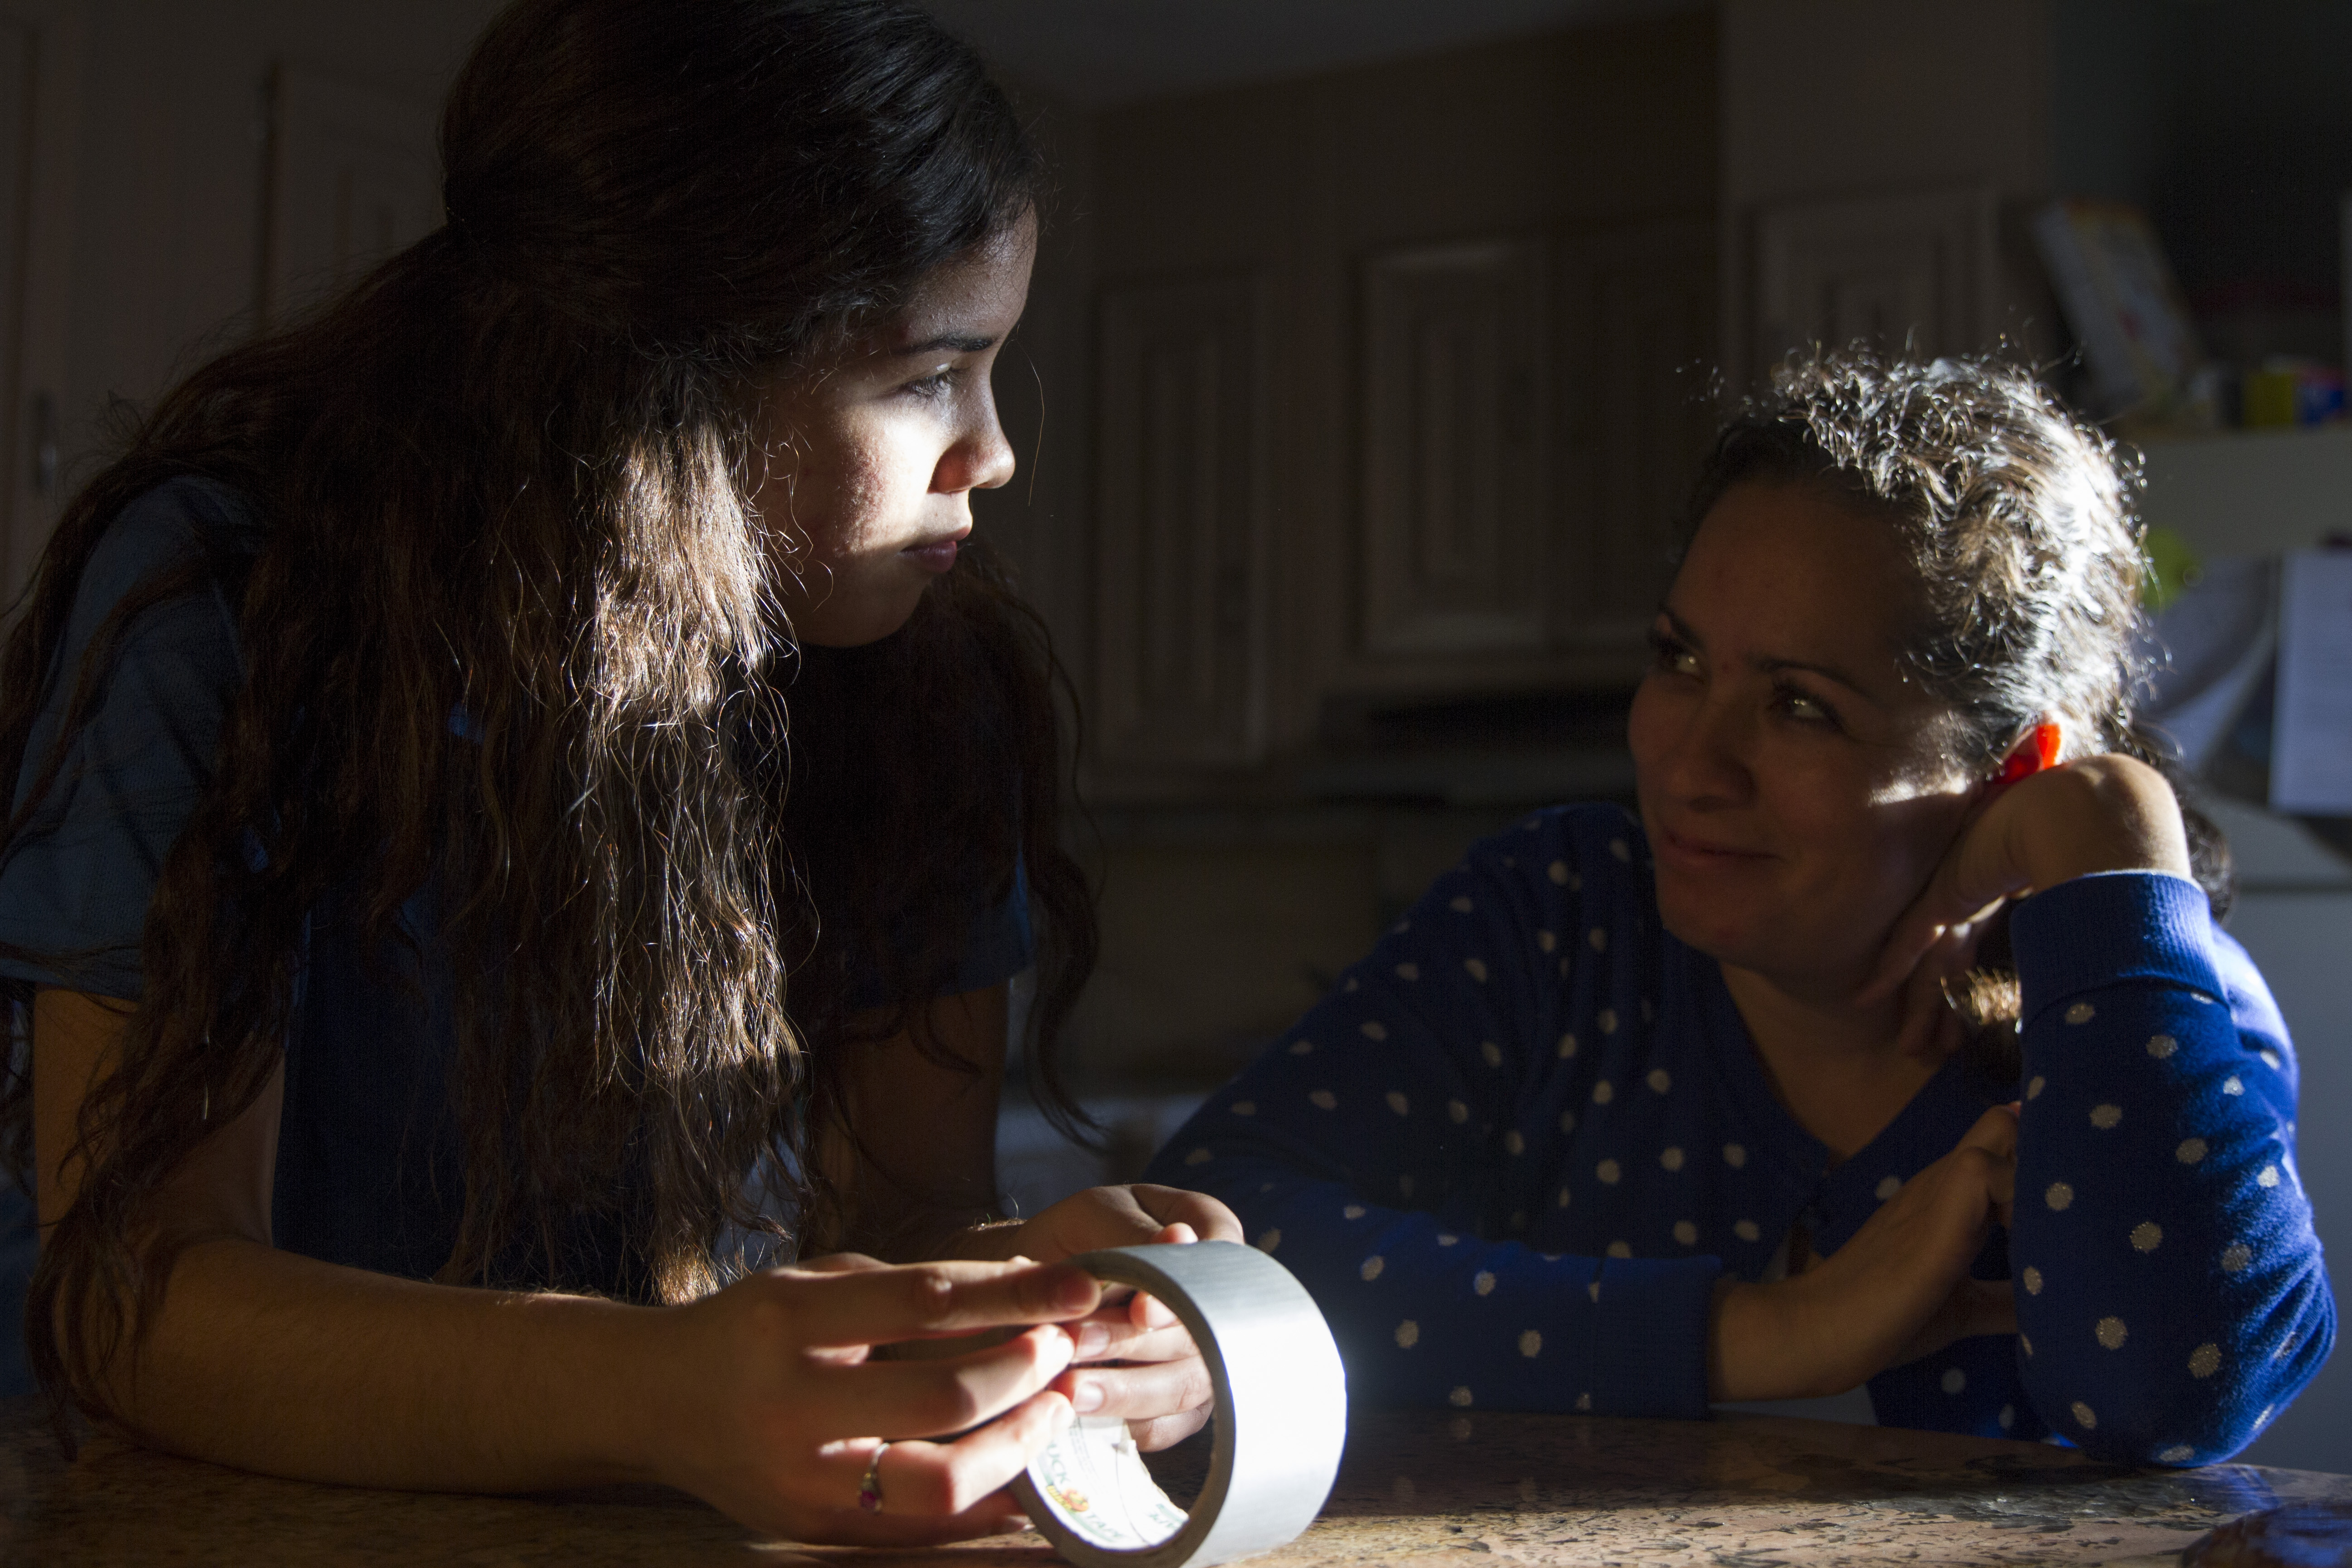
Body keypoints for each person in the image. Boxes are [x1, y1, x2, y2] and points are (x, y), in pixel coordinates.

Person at [0, 0, 1235, 1543]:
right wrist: (664, 1391)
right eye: (934, 374)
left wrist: (1052, 1310)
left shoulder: (921, 686)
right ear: (669, 386)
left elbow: (906, 1217)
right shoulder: (230, 611)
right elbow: (139, 1294)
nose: (991, 453)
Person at [1146, 350, 2332, 1463]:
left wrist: (2118, 841)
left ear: (2014, 771)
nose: (1689, 761)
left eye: (1801, 706)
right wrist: (1769, 1331)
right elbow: (1208, 1244)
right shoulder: (1563, 915)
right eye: (1681, 660)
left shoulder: (2138, 990)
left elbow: (2180, 1393)